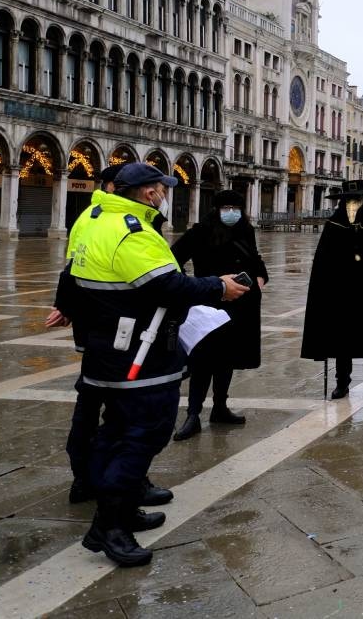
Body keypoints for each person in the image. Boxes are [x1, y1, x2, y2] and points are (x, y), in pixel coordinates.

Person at [50, 162, 249, 567]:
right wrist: (218, 287)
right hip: (138, 349)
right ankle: (109, 526)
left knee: (115, 431)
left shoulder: (94, 219)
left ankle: (120, 509)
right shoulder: (132, 231)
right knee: (144, 433)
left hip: (106, 344)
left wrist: (66, 306)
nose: (164, 194)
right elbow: (167, 285)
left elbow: (72, 272)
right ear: (147, 193)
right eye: (161, 188)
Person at [55, 163, 171, 511]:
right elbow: (73, 267)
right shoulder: (104, 220)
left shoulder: (109, 217)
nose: (162, 195)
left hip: (101, 329)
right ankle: (101, 484)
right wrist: (66, 305)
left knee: (104, 412)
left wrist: (65, 305)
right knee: (115, 415)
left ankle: (106, 482)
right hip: (111, 331)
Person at [170, 190, 269, 441]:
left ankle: (220, 407)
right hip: (211, 304)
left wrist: (261, 276)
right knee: (203, 360)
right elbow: (173, 257)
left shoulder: (246, 230)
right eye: (226, 208)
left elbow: (254, 258)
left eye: (235, 208)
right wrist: (194, 285)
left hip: (242, 304)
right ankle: (193, 414)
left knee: (228, 358)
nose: (231, 213)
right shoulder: (200, 231)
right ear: (216, 210)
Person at [300, 180, 363, 398]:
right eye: (349, 200)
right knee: (342, 338)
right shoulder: (333, 225)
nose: (353, 204)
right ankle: (342, 382)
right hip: (341, 293)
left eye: (357, 199)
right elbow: (323, 263)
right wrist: (326, 287)